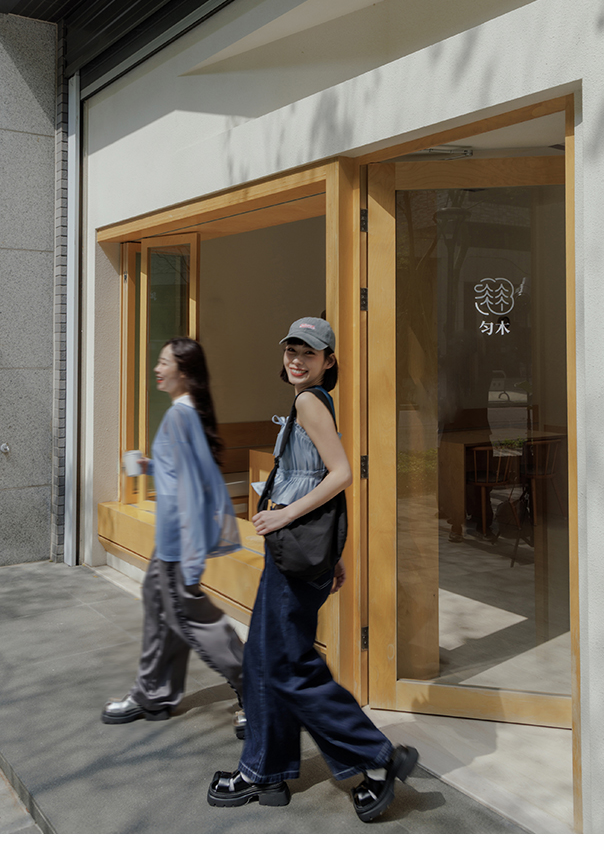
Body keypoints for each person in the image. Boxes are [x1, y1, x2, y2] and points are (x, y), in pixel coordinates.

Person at [207, 318, 418, 823]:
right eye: (291, 351)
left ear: (328, 360)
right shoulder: (309, 401)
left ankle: (376, 758)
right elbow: (317, 477)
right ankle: (266, 771)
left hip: (295, 547)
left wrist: (283, 516)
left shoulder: (308, 402)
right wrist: (332, 552)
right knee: (266, 661)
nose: (297, 360)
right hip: (299, 550)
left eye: (309, 352)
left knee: (288, 666)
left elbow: (341, 473)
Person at [102, 337, 246, 738]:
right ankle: (154, 692)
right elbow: (184, 474)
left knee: (195, 621)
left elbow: (193, 490)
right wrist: (151, 466)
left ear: (184, 372)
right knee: (159, 606)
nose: (157, 368)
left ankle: (256, 689)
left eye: (164, 362)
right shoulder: (185, 413)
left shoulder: (180, 417)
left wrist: (192, 555)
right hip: (172, 541)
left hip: (179, 544)